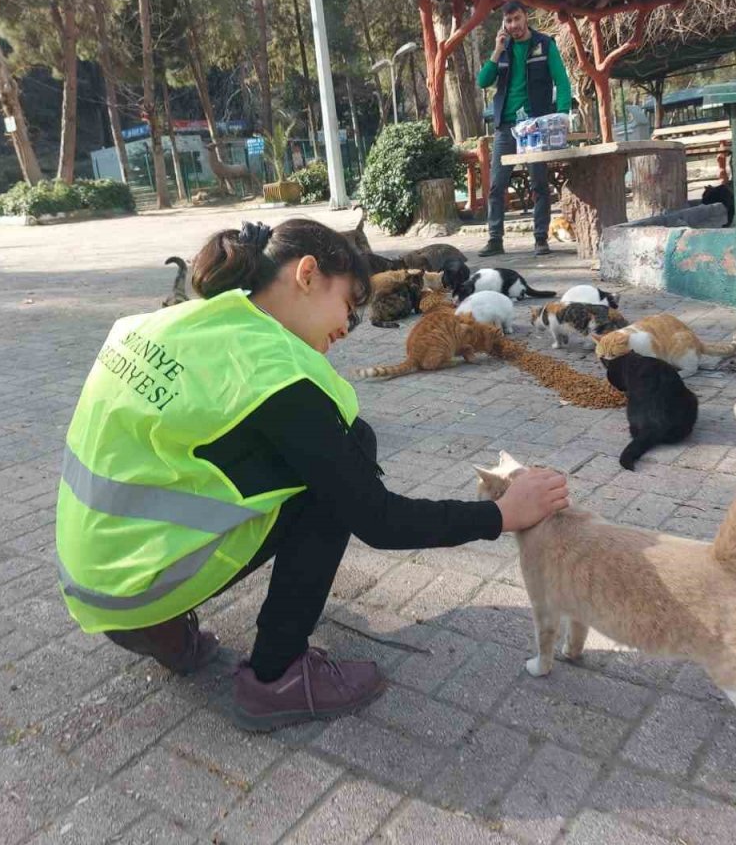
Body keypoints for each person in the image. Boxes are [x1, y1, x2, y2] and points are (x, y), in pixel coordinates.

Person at [56, 218, 571, 731]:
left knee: (316, 458)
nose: (347, 328)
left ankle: (163, 632)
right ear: (306, 274)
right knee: (350, 451)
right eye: (348, 305)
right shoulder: (273, 370)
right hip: (140, 586)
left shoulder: (163, 324)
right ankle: (275, 676)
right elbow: (380, 520)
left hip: (94, 581)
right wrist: (501, 513)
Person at [476, 0, 573, 258]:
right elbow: (483, 81)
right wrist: (496, 52)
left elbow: (562, 81)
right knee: (497, 185)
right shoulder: (503, 49)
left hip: (536, 127)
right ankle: (495, 238)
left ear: (525, 17)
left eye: (517, 19)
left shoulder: (544, 44)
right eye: (508, 21)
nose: (514, 25)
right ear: (504, 25)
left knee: (539, 183)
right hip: (506, 126)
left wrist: (563, 114)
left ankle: (541, 238)